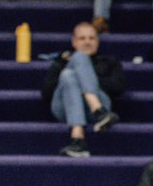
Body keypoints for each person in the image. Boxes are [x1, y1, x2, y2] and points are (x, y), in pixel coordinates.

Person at [40, 21, 124, 157]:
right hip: (65, 106)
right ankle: (98, 111)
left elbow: (118, 88)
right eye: (82, 38)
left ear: (98, 42)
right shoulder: (62, 63)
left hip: (101, 99)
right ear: (74, 42)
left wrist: (88, 78)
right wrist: (80, 77)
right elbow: (46, 92)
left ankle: (77, 138)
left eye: (91, 38)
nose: (87, 42)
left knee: (70, 75)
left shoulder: (109, 62)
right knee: (71, 70)